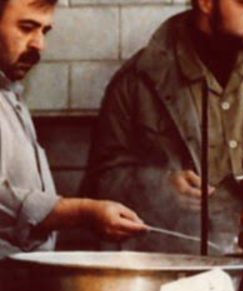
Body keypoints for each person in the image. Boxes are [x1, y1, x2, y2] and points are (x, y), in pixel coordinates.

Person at [83, 0, 243, 255]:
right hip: (185, 271)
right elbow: (102, 182)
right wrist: (162, 186)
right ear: (206, 3)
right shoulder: (140, 79)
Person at [0, 0, 145, 260]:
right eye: (26, 28)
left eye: (44, 31)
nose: (39, 45)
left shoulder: (9, 94)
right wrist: (83, 212)